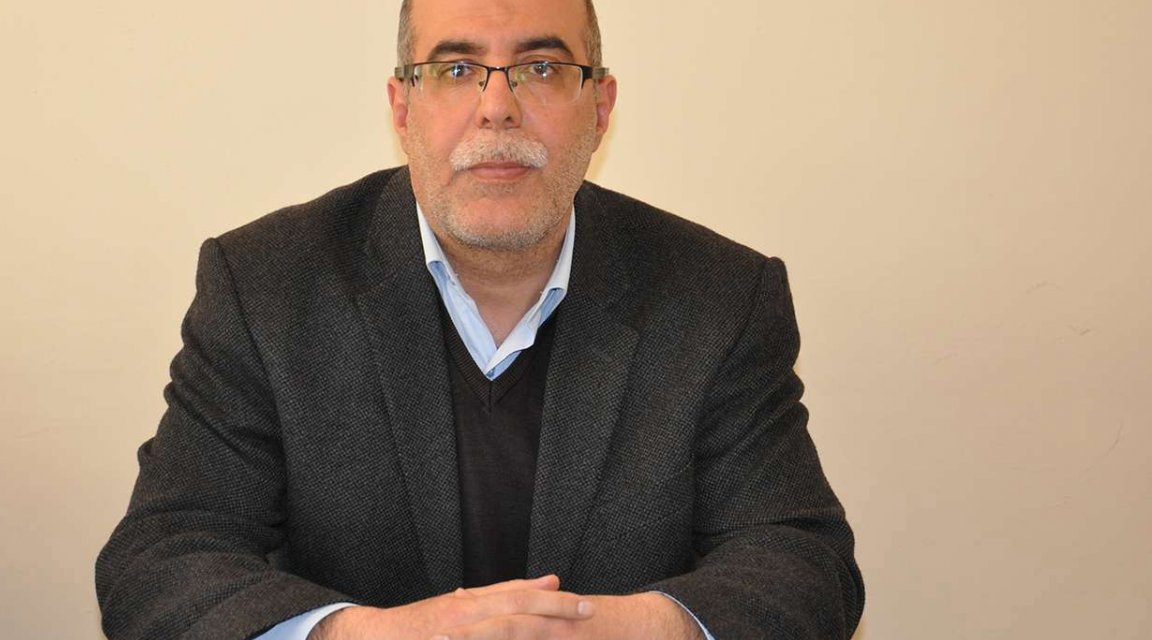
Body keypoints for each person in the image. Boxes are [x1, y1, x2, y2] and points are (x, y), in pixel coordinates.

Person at [95, 0, 865, 638]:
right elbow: (160, 562)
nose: (497, 108)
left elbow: (802, 563)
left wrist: (632, 629)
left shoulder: (719, 296)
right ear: (403, 107)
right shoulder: (267, 286)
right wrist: (368, 636)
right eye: (457, 69)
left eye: (542, 67)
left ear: (600, 108)